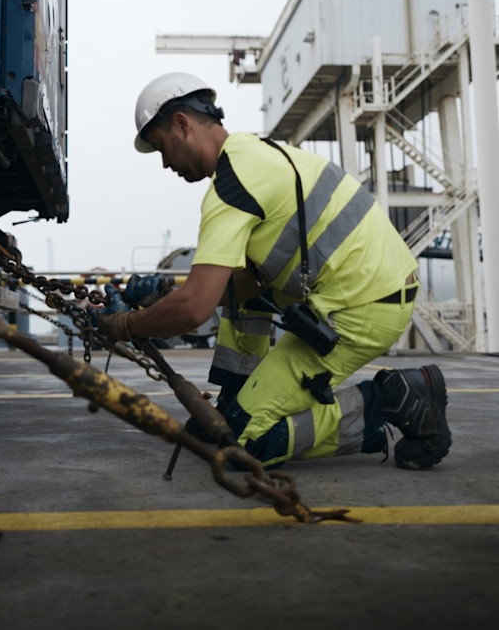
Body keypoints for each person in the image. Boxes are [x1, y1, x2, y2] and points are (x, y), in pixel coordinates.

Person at [93, 72, 450, 470]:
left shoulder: (231, 186)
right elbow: (243, 285)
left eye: (161, 148)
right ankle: (239, 394)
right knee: (248, 300)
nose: (164, 163)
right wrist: (163, 295)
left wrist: (125, 325)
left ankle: (392, 399)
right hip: (371, 290)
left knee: (241, 443)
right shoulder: (253, 153)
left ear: (181, 124)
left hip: (359, 310)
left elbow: (196, 309)